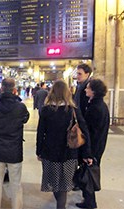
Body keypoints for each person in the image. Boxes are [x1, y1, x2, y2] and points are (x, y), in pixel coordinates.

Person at [36, 80, 93, 209]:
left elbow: (40, 133)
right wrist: (86, 153)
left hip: (50, 153)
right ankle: (61, 206)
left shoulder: (46, 110)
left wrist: (39, 151)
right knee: (64, 184)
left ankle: (60, 206)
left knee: (54, 183)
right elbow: (84, 132)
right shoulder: (73, 110)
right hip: (70, 153)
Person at [0, 78, 30, 209]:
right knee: (16, 183)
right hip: (14, 149)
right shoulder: (20, 107)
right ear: (14, 89)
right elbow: (25, 119)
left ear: (1, 88)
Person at [76, 79, 110, 209]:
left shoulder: (95, 108)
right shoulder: (99, 105)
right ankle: (88, 199)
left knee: (89, 174)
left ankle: (90, 202)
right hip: (98, 146)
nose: (85, 90)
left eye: (88, 88)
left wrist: (88, 153)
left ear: (94, 91)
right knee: (89, 172)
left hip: (93, 148)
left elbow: (90, 132)